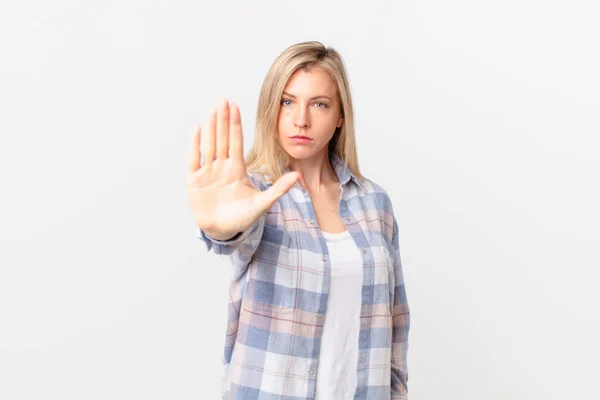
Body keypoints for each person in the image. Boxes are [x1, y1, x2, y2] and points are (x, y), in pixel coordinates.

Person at [187, 41, 410, 400]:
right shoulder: (255, 196)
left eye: (318, 104)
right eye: (287, 102)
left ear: (340, 117)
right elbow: (232, 234)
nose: (300, 119)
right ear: (271, 110)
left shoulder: (374, 202)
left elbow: (396, 326)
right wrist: (220, 228)